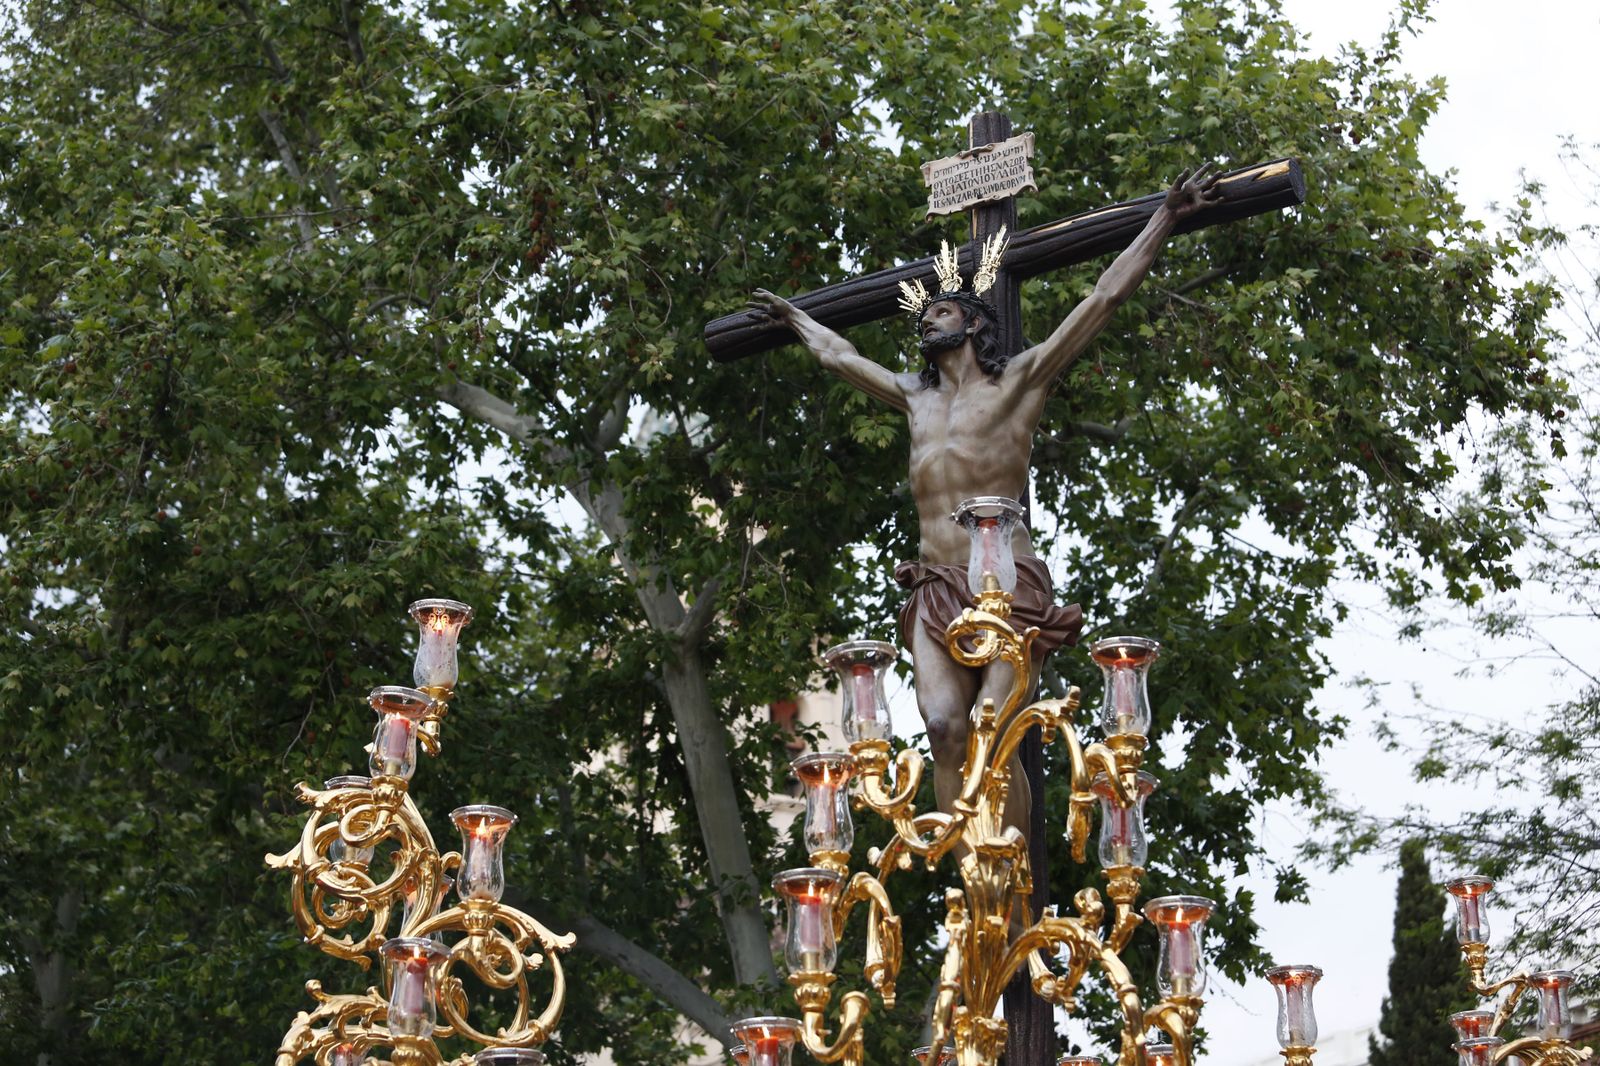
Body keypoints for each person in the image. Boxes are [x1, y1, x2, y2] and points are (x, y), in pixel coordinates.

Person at [749, 165, 1222, 840]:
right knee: (942, 727)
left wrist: (1166, 217)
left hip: (1006, 584)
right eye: (925, 313)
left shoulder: (1019, 383)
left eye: (941, 311)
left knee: (992, 732)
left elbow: (1103, 299)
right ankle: (964, 888)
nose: (926, 320)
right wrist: (796, 319)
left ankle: (1008, 885)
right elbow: (839, 356)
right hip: (937, 584)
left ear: (974, 324)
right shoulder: (914, 396)